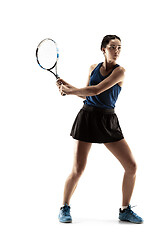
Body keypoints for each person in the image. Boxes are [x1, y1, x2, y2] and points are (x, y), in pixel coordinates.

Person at [55, 35, 143, 224]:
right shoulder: (92, 68)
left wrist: (70, 91)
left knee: (132, 167)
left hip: (107, 120)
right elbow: (86, 94)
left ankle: (125, 210)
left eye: (119, 47)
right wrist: (67, 85)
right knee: (78, 170)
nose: (117, 51)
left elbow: (96, 90)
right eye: (113, 47)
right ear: (103, 49)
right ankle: (64, 207)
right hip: (87, 117)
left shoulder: (120, 72)